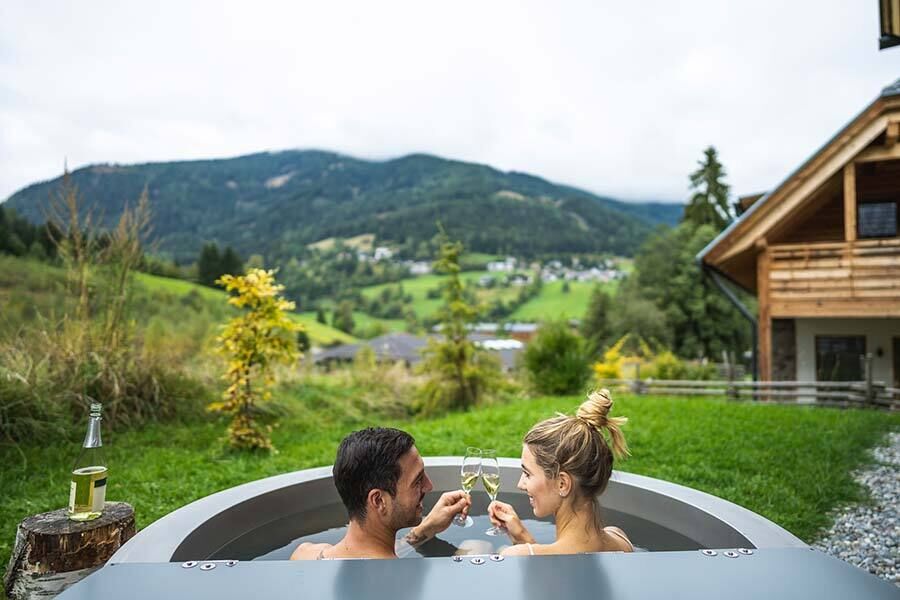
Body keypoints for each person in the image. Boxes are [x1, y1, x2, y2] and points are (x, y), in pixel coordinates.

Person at [488, 389, 633, 555]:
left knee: (475, 545)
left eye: (527, 474)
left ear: (562, 483)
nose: (520, 484)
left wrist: (525, 547)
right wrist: (522, 537)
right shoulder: (621, 540)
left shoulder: (516, 556)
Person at [291, 427, 471, 560]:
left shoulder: (305, 555)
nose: (429, 486)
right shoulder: (406, 580)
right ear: (378, 501)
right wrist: (500, 555)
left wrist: (426, 528)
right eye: (417, 481)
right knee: (476, 546)